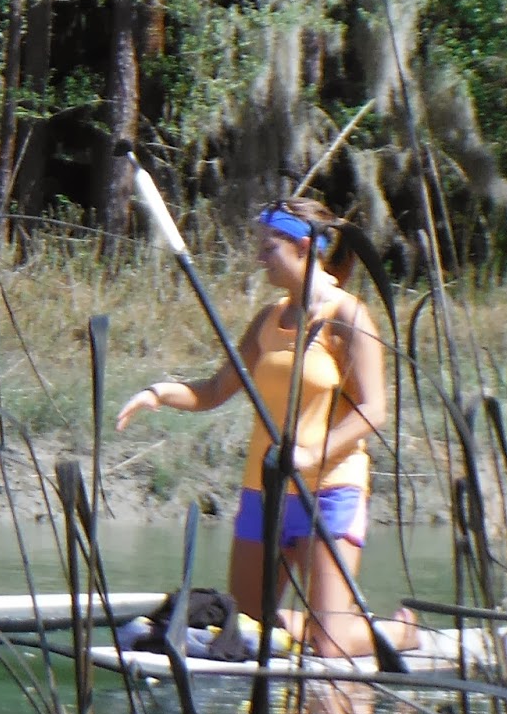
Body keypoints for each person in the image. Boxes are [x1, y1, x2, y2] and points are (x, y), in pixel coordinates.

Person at [115, 197, 417, 658]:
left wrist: (315, 453)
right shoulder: (267, 319)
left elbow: (374, 409)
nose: (258, 258)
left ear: (301, 246)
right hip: (265, 491)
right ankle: (311, 619)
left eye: (267, 247)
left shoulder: (348, 317)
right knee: (247, 628)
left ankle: (399, 633)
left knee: (330, 645)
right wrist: (158, 393)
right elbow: (216, 389)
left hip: (331, 490)